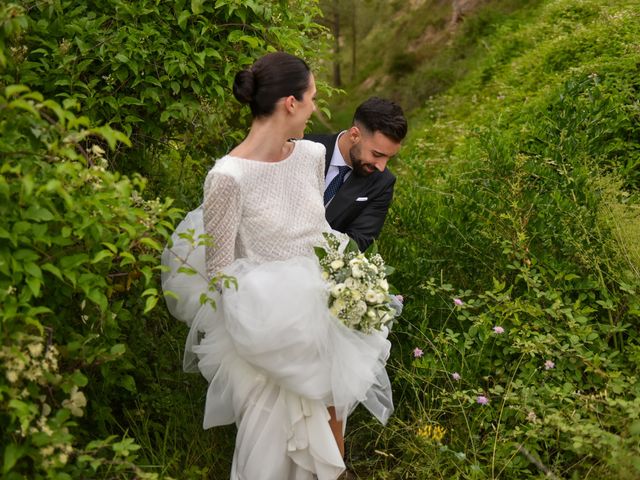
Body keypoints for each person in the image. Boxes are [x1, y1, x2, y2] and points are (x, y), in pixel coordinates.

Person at [161, 52, 393, 480]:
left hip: (322, 317)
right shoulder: (227, 177)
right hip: (265, 333)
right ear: (290, 102)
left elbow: (320, 233)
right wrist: (275, 329)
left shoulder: (308, 155)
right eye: (312, 99)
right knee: (269, 450)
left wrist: (348, 286)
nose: (315, 110)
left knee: (330, 429)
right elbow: (220, 272)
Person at [306, 97, 408, 251]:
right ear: (354, 135)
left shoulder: (382, 183)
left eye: (389, 158)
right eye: (377, 154)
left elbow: (358, 243)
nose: (382, 167)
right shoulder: (303, 148)